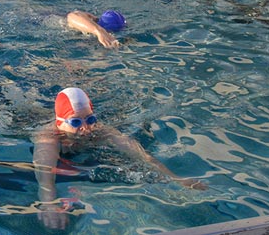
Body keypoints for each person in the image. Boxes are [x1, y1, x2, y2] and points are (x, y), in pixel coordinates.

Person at [33, 87, 204, 229]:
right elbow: (45, 176)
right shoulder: (48, 138)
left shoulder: (102, 130)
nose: (86, 128)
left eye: (90, 119)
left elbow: (143, 156)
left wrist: (177, 179)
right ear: (59, 123)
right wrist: (49, 204)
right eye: (76, 122)